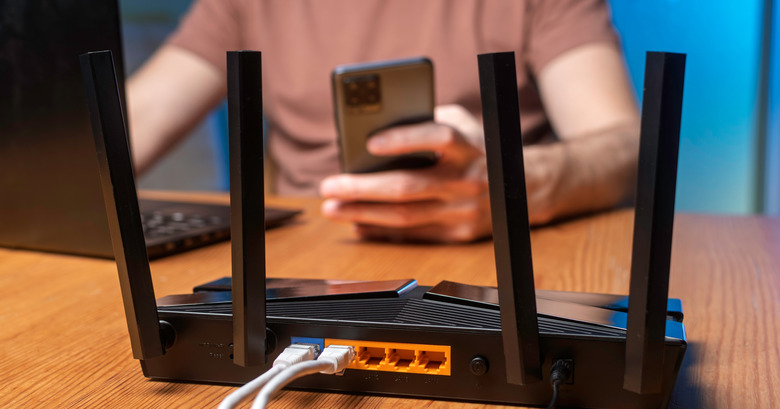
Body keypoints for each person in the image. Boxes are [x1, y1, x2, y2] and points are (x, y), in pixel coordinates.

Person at [127, 0, 640, 243]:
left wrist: (518, 185)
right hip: (305, 263)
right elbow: (135, 118)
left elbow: (627, 147)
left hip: (495, 255)